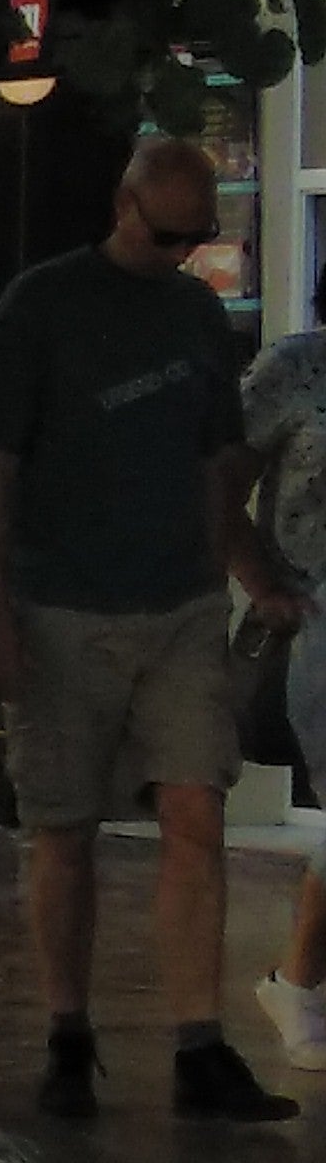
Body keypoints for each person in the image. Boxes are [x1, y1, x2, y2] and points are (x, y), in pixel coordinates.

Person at [0, 134, 301, 1120]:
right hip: (61, 601)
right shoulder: (40, 305)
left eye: (196, 238)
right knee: (61, 827)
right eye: (165, 236)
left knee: (194, 810)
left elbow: (214, 472)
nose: (181, 254)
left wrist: (249, 579)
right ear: (122, 208)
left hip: (179, 605)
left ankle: (199, 1044)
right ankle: (67, 1034)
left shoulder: (197, 315)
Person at [240, 289, 326, 1065]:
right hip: (319, 617)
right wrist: (263, 585)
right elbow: (215, 483)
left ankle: (299, 982)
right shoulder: (295, 368)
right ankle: (296, 982)